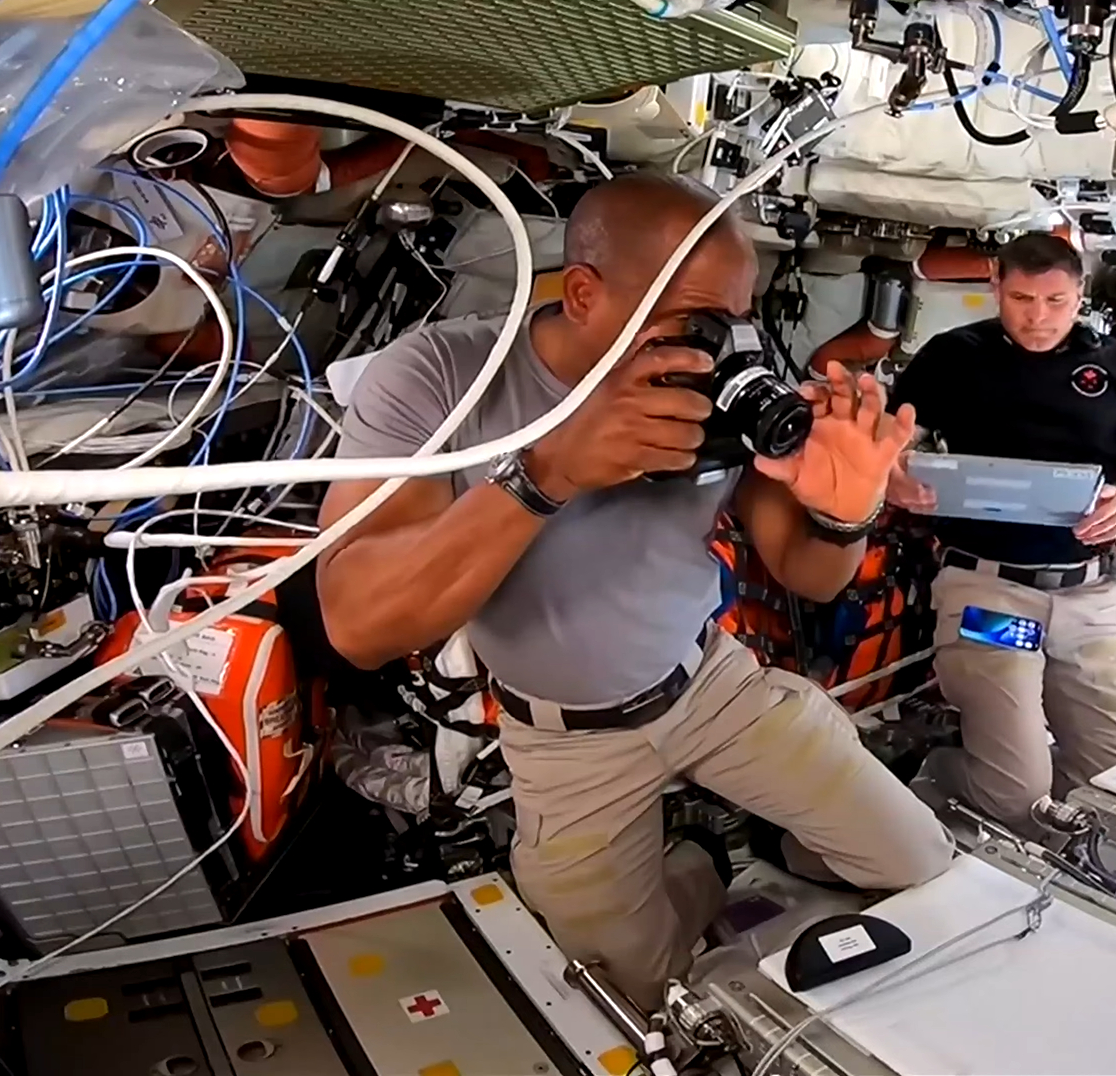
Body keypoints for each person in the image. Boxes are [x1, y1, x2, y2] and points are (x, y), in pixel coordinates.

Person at [316, 173, 955, 1009]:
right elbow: (356, 623)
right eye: (691, 319)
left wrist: (845, 513)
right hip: (566, 739)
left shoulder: (722, 386)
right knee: (630, 994)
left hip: (714, 685)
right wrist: (546, 473)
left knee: (921, 868)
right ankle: (700, 862)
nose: (718, 346)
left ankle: (750, 842)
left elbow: (810, 572)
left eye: (732, 318)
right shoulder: (440, 376)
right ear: (583, 294)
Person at [887, 233, 1116, 837]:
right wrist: (893, 479)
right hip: (990, 593)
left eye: (1056, 300)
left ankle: (1075, 859)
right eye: (1022, 298)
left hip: (1090, 600)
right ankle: (935, 769)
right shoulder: (954, 355)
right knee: (1016, 794)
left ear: (1079, 294)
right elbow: (886, 445)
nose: (1039, 316)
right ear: (996, 288)